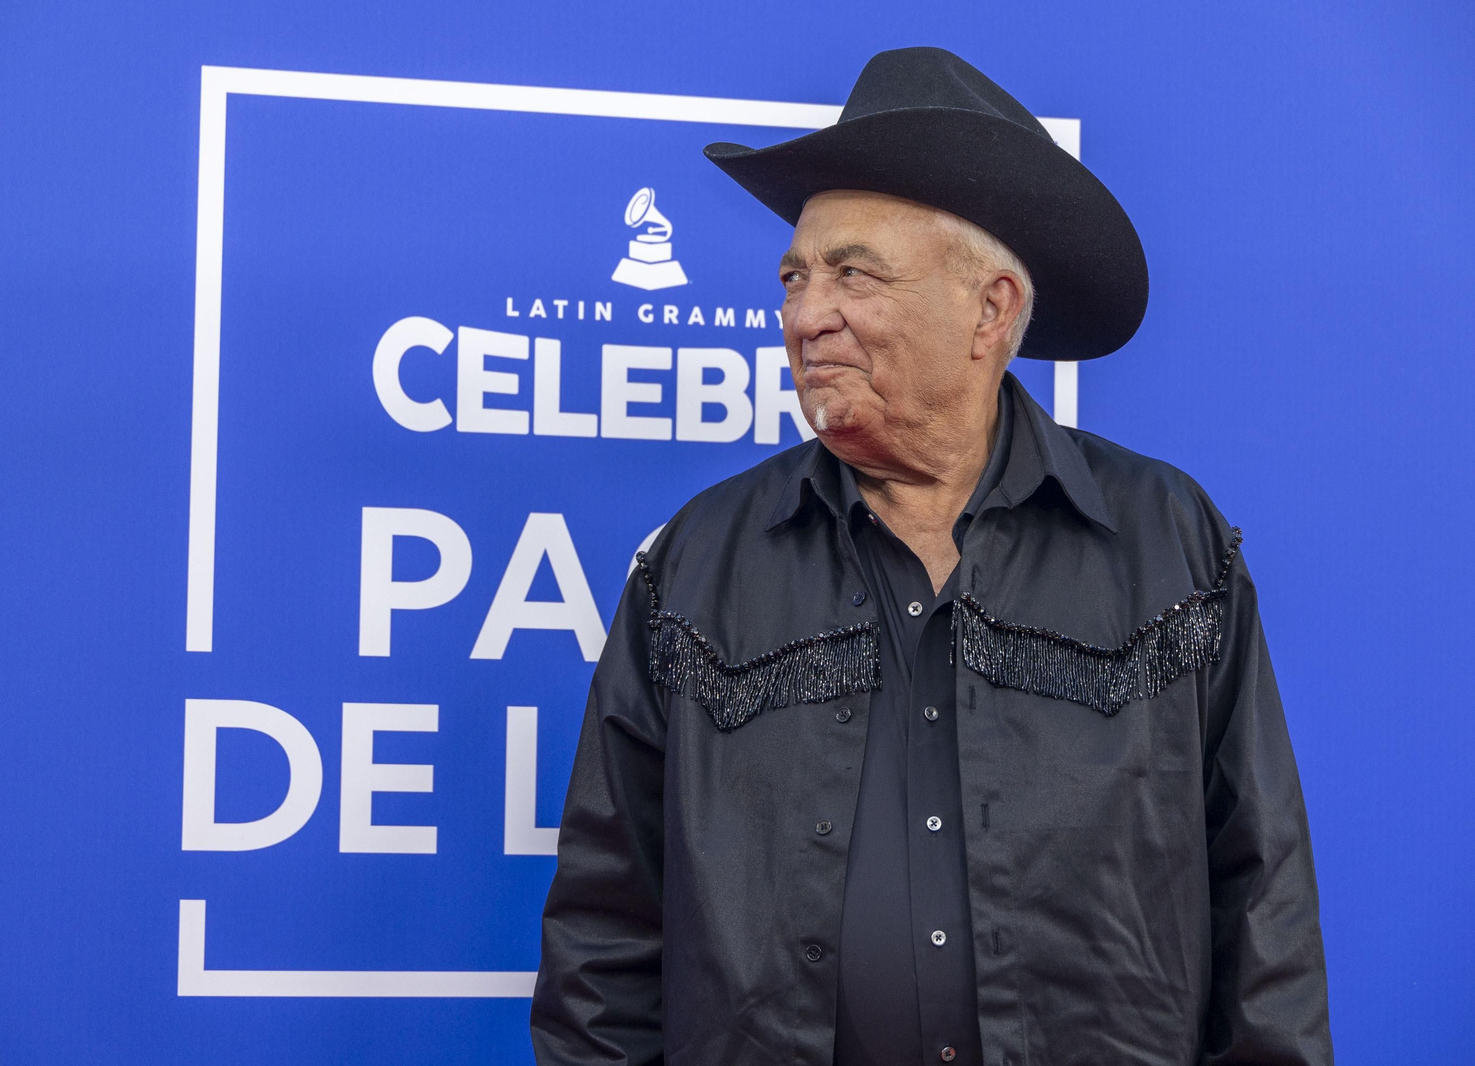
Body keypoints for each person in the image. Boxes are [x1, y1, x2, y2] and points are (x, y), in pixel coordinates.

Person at [531, 47, 1332, 1066]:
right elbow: (606, 926)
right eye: (794, 276)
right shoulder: (696, 562)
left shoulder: (1167, 540)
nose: (803, 313)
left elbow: (1260, 895)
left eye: (852, 274)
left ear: (988, 311)